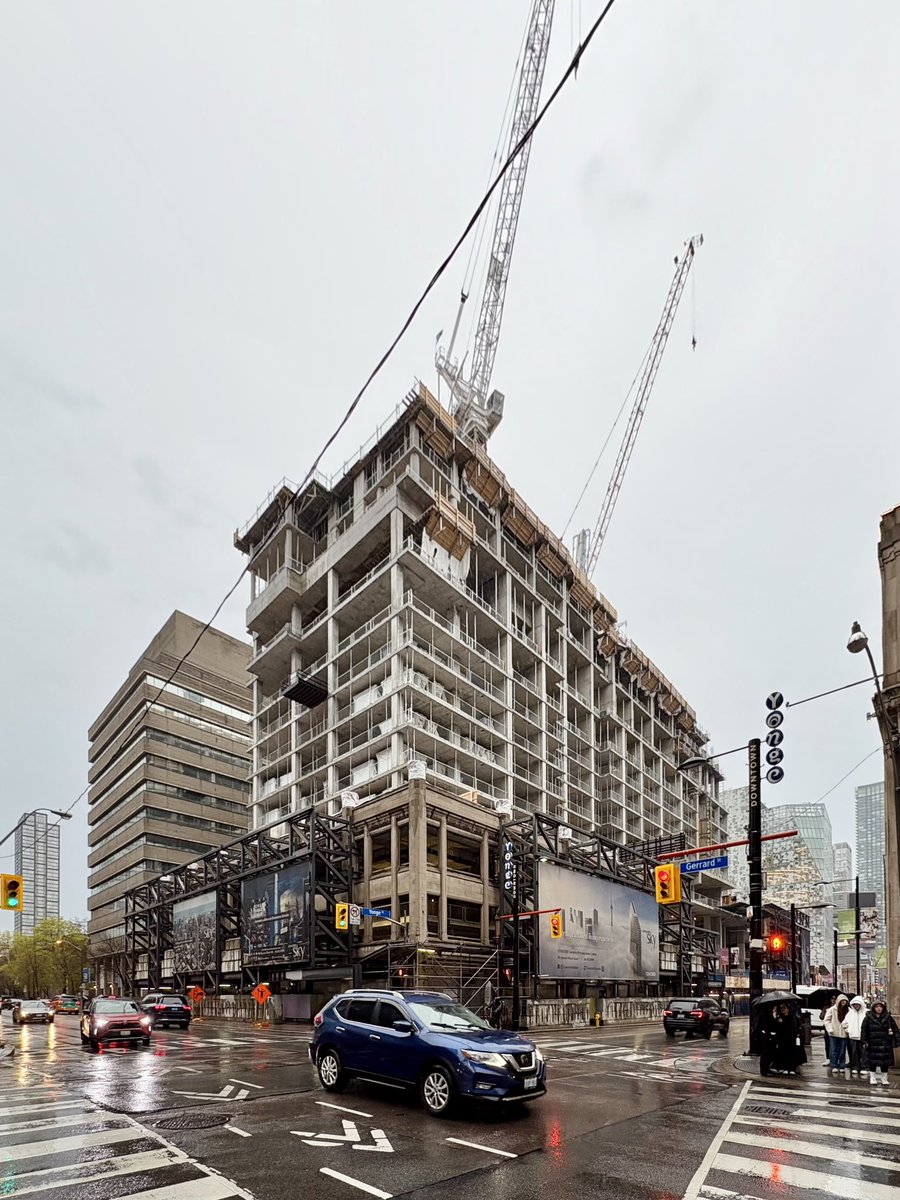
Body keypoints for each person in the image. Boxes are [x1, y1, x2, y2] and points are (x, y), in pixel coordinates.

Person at [861, 1000, 900, 1086]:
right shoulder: (868, 1018)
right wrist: (864, 1041)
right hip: (873, 1042)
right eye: (877, 1007)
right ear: (873, 1008)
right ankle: (873, 1077)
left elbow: (895, 1029)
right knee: (873, 1061)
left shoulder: (888, 1017)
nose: (879, 1009)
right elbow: (864, 1030)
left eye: (880, 1007)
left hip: (885, 1043)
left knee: (885, 1062)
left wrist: (897, 1040)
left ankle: (884, 1078)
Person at [771, 1002, 805, 1074]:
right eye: (781, 1008)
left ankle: (792, 1068)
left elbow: (797, 1027)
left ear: (788, 1009)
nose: (783, 1010)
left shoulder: (793, 1017)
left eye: (784, 1008)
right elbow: (777, 1028)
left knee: (792, 1053)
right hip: (783, 1039)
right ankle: (785, 1068)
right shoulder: (780, 1018)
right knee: (784, 1053)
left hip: (791, 1038)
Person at [824, 994, 850, 1075]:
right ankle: (834, 1065)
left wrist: (847, 1028)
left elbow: (850, 1021)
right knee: (833, 1051)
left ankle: (841, 1066)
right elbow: (826, 1020)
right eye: (841, 1001)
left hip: (844, 1034)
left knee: (842, 1051)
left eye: (845, 1001)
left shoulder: (849, 1010)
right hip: (833, 1033)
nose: (843, 1002)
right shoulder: (832, 1009)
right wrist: (830, 1029)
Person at [842, 995, 868, 1076]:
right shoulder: (850, 1013)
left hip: (863, 1037)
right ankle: (855, 1067)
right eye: (854, 1004)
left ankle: (864, 1067)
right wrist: (848, 1030)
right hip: (853, 1037)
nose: (856, 1006)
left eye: (858, 1004)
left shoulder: (866, 1012)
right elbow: (844, 1023)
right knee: (854, 1053)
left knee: (864, 1053)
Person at [820, 991, 837, 1065]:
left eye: (835, 999)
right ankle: (828, 1058)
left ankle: (835, 1059)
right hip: (827, 1028)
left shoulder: (838, 1007)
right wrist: (825, 1012)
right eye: (832, 999)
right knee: (828, 1044)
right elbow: (821, 1017)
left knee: (836, 1045)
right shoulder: (826, 1007)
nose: (833, 1000)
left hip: (836, 1028)